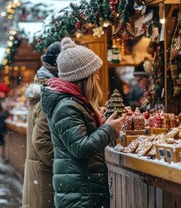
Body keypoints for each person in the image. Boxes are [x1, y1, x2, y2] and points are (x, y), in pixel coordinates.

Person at [41, 37, 125, 208]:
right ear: (83, 78)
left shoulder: (73, 103)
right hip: (80, 193)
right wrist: (109, 129)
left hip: (81, 189)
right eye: (94, 75)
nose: (98, 79)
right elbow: (80, 148)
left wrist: (100, 124)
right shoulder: (67, 106)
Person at [22, 41, 61, 208]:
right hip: (44, 175)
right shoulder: (48, 94)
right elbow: (41, 141)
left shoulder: (43, 89)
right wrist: (62, 164)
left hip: (39, 173)